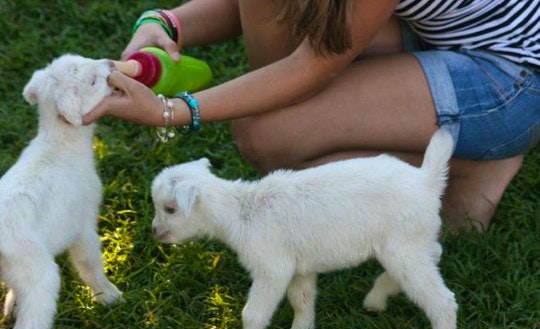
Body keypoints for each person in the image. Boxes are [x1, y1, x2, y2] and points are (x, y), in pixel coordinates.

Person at [83, 0, 540, 231]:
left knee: (269, 136)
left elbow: (310, 67)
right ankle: (439, 142)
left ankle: (472, 163)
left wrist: (171, 111)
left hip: (509, 77)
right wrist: (164, 22)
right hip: (437, 36)